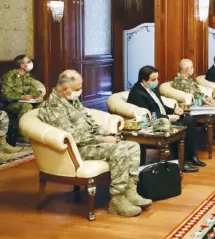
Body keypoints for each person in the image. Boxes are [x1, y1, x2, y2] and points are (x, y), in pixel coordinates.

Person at [37, 70, 151, 217]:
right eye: (78, 88)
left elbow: (89, 123)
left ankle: (130, 191)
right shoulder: (53, 108)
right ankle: (117, 200)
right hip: (78, 150)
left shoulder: (71, 100)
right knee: (119, 150)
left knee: (133, 146)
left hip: (90, 143)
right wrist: (103, 140)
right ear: (66, 90)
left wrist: (106, 132)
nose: (80, 91)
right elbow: (75, 137)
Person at [128, 65, 203, 173]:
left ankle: (191, 156)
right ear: (144, 80)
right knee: (184, 124)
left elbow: (160, 106)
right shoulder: (137, 93)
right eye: (153, 80)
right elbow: (149, 114)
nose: (156, 81)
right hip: (155, 123)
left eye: (157, 78)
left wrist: (174, 110)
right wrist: (168, 117)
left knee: (190, 120)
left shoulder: (152, 88)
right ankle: (181, 161)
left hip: (164, 117)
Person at [171, 59, 215, 147]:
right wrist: (206, 101)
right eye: (192, 67)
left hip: (201, 102)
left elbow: (198, 93)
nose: (193, 69)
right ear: (186, 69)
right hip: (196, 105)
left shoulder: (188, 79)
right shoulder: (180, 81)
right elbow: (193, 96)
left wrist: (208, 98)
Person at [1, 55, 45, 141]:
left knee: (43, 104)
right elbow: (6, 95)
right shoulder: (10, 76)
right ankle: (22, 134)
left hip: (25, 101)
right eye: (28, 62)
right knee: (26, 106)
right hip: (9, 104)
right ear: (22, 65)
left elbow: (31, 88)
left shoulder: (27, 75)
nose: (31, 63)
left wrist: (39, 96)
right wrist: (21, 97)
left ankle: (37, 131)